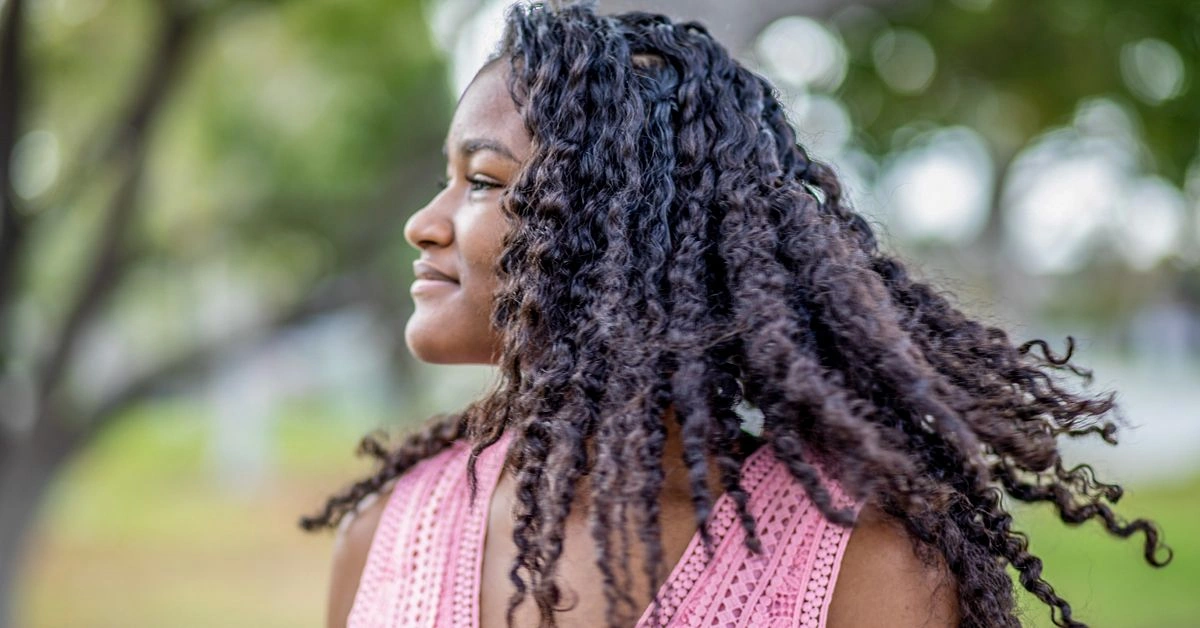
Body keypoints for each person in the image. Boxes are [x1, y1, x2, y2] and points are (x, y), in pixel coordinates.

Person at [300, 3, 1170, 627]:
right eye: (446, 178)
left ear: (618, 230)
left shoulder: (856, 569)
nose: (425, 222)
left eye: (484, 181)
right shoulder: (387, 533)